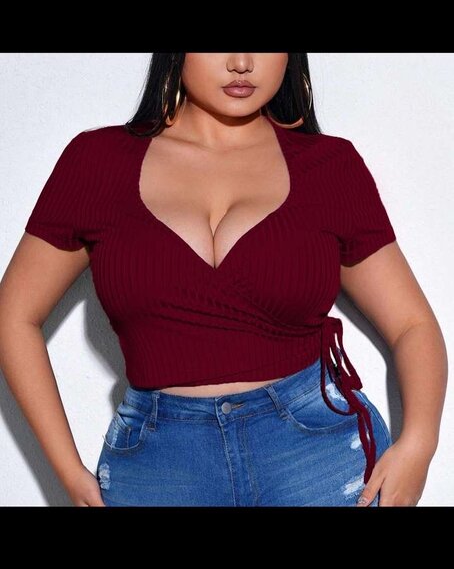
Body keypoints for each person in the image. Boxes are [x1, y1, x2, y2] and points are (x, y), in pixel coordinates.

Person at [0, 53, 447, 507]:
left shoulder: (329, 166)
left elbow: (411, 323)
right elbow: (13, 316)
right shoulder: (97, 161)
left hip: (319, 459)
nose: (242, 63)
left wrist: (419, 443)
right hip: (158, 469)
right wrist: (68, 473)